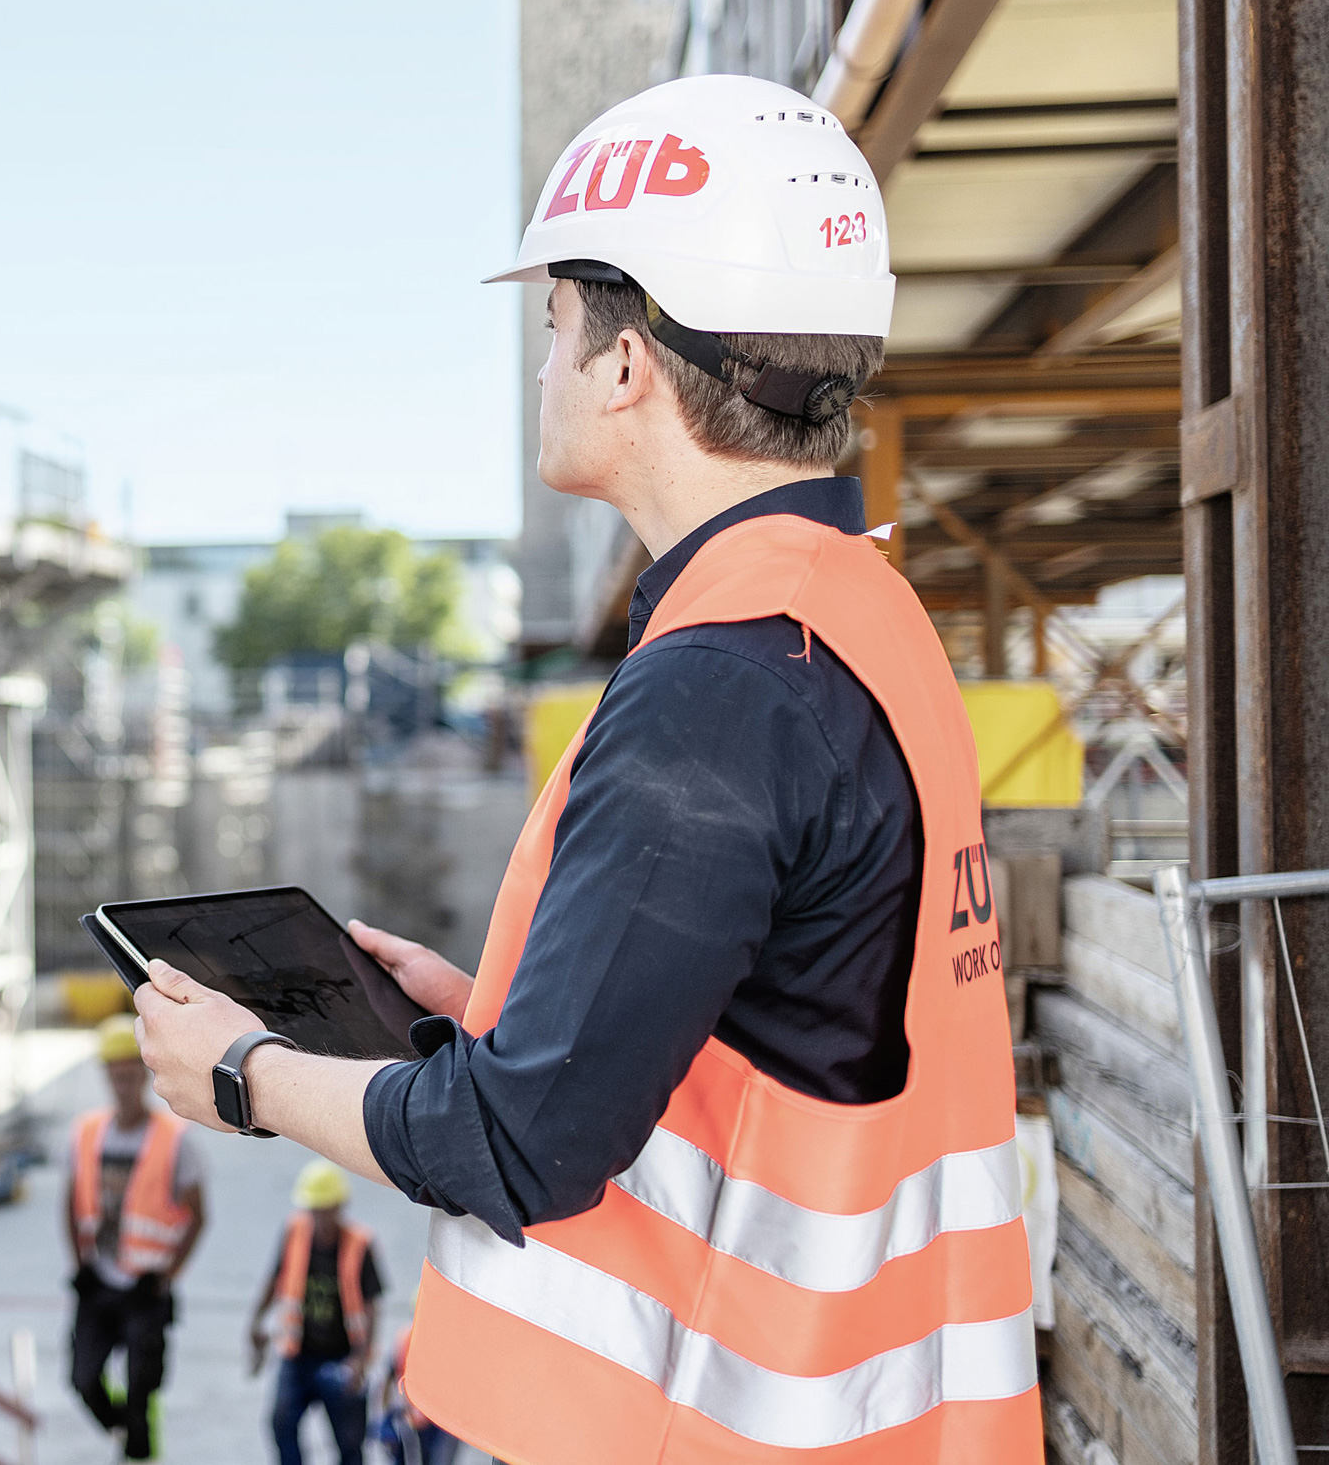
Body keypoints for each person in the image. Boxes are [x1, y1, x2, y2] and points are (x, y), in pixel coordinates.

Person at [131, 76, 1039, 1463]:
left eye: (553, 324)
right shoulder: (855, 613)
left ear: (628, 366)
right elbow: (775, 1022)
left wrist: (246, 1070)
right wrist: (487, 1018)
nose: (541, 366)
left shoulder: (720, 686)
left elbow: (527, 1142)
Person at [68, 1013, 206, 1461]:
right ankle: (122, 1430)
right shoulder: (87, 1133)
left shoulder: (174, 1140)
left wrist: (166, 1276)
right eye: (116, 1074)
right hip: (100, 1279)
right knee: (83, 1378)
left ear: (143, 1074)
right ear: (106, 1076)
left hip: (145, 1286)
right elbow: (70, 1203)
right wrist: (80, 1263)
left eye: (131, 1073)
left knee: (142, 1384)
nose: (124, 1082)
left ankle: (139, 1446)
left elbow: (197, 1217)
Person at [247, 1161, 381, 1465]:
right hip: (299, 1355)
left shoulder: (360, 1244)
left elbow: (372, 1303)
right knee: (282, 1424)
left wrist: (361, 1359)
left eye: (325, 1208)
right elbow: (275, 1276)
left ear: (339, 1206)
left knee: (349, 1442)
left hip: (341, 1357)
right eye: (314, 1209)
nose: (319, 1217)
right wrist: (255, 1321)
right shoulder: (295, 1232)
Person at [371, 1328, 456, 1465]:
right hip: (408, 1416)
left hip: (437, 1421)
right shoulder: (406, 1339)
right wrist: (383, 1417)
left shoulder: (446, 1342)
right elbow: (387, 1380)